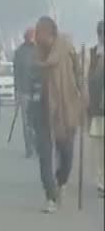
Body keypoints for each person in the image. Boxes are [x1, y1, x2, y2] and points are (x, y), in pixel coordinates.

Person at [31, 16, 85, 213]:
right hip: (42, 111)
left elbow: (79, 76)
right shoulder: (35, 55)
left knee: (67, 153)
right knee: (44, 156)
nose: (37, 37)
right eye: (36, 33)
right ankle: (50, 196)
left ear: (51, 34)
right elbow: (30, 80)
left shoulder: (67, 50)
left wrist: (83, 93)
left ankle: (61, 179)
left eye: (40, 33)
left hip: (66, 110)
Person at [14, 28, 37, 158]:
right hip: (24, 91)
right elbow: (16, 74)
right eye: (30, 36)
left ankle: (36, 144)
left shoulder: (39, 51)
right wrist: (16, 92)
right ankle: (29, 147)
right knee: (26, 122)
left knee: (36, 121)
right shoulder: (19, 52)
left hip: (37, 91)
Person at [88, 19, 104, 197]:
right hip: (98, 109)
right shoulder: (92, 54)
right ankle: (101, 182)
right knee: (99, 148)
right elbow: (88, 79)